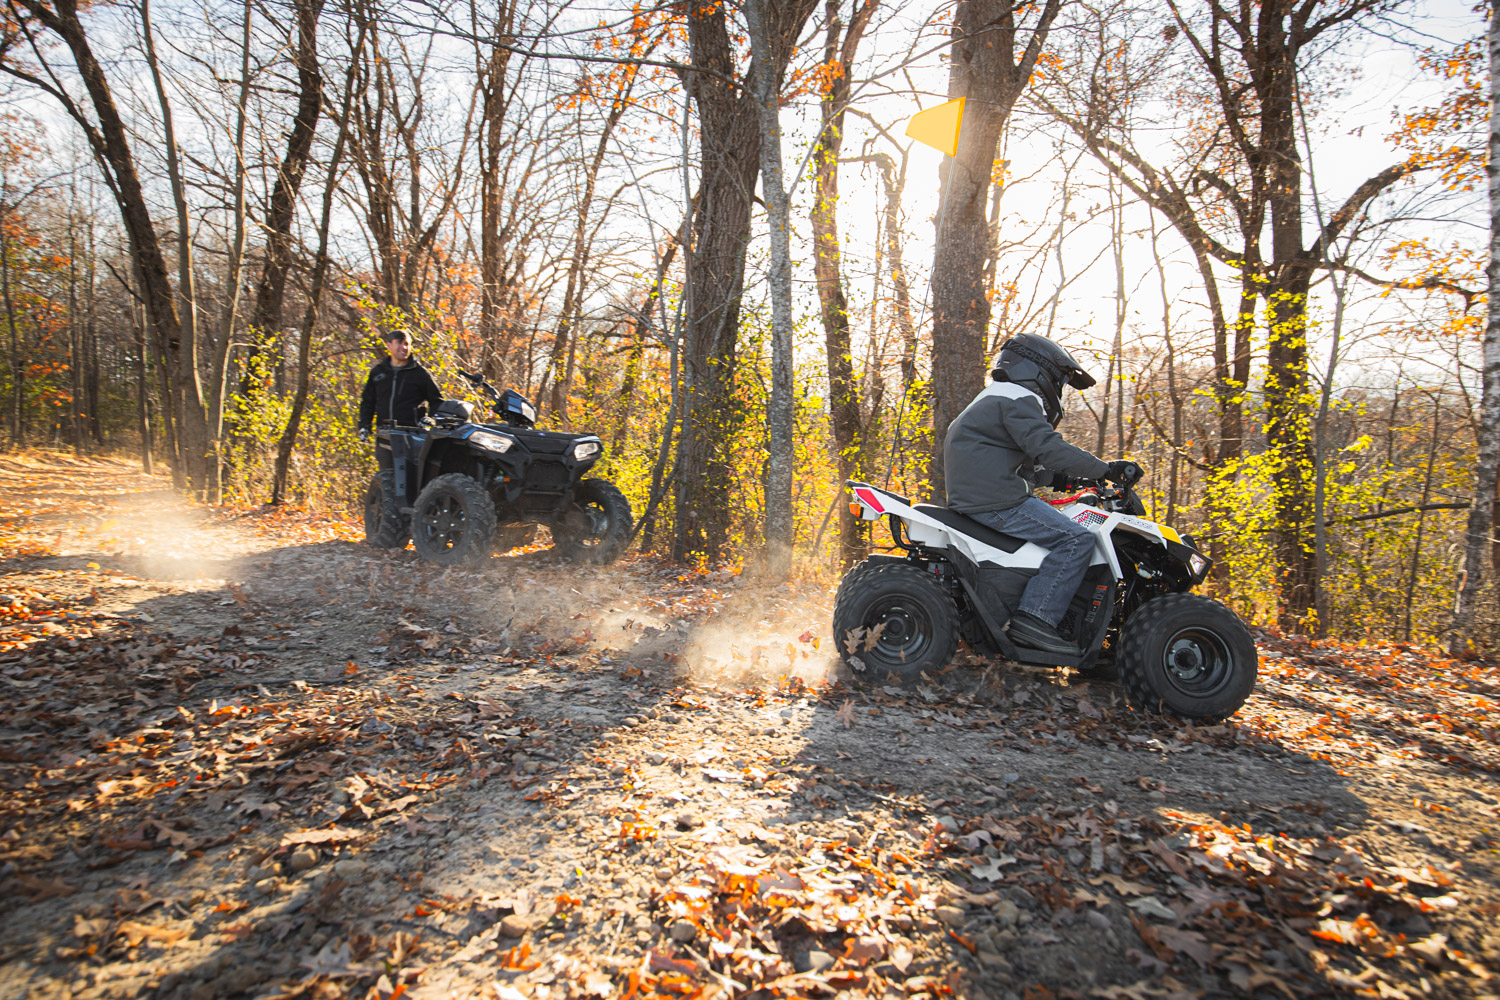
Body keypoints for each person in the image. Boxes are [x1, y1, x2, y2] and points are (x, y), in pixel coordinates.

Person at [943, 334, 1137, 656]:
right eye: (1058, 381)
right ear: (1038, 370)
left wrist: (1063, 478)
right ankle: (1036, 618)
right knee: (1077, 540)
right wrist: (1105, 469)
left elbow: (1017, 461)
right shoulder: (1019, 397)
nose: (1057, 389)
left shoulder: (991, 398)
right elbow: (1046, 447)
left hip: (981, 496)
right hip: (998, 501)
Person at [357, 327, 444, 476]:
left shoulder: (420, 374)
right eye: (400, 343)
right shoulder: (378, 373)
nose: (404, 348)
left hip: (413, 435)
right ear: (389, 345)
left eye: (407, 344)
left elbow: (437, 401)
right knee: (387, 478)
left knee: (411, 479)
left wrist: (431, 419)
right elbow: (368, 402)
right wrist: (364, 425)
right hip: (384, 434)